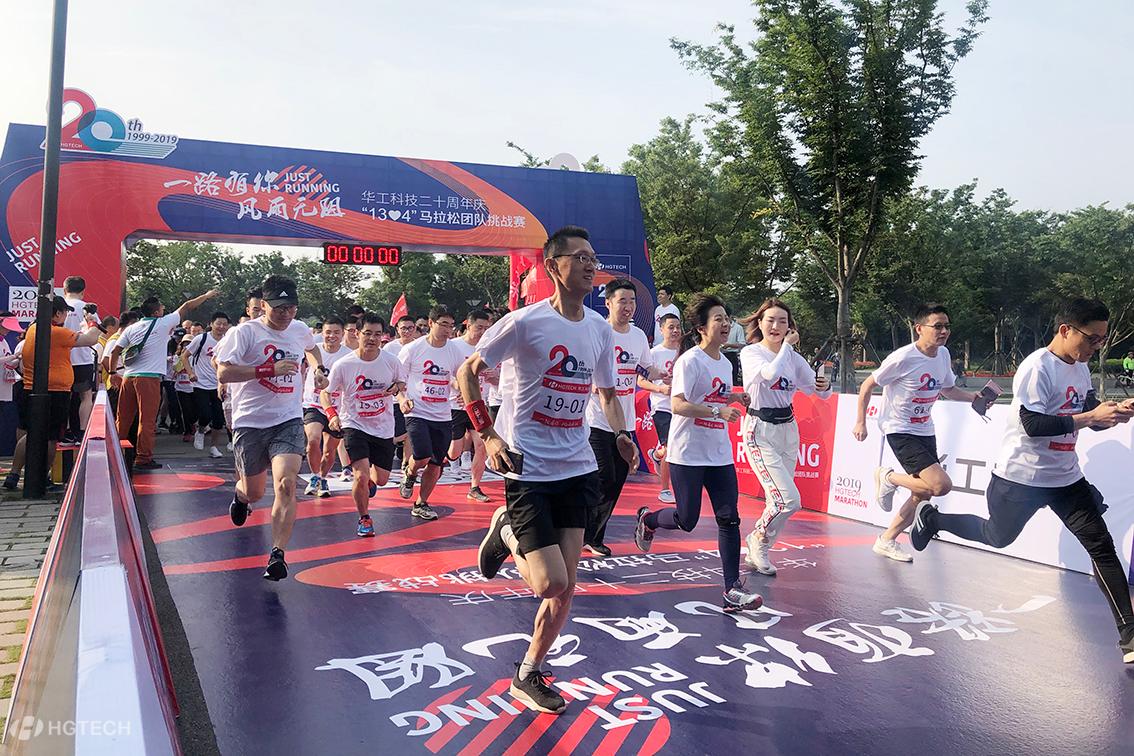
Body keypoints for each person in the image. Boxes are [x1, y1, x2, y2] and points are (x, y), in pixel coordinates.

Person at [460, 225, 636, 715]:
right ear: (553, 266)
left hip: (577, 466)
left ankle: (528, 672)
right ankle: (506, 531)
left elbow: (606, 393)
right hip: (528, 467)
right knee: (547, 584)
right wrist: (488, 434)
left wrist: (622, 434)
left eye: (593, 257)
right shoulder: (522, 323)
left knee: (566, 588)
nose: (590, 265)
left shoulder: (599, 329)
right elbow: (467, 373)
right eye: (579, 257)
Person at [909, 298, 1134, 664]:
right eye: (1092, 338)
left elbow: (1087, 415)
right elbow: (1033, 425)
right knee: (998, 536)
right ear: (1066, 330)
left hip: (1066, 479)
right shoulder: (1037, 367)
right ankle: (933, 519)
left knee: (1101, 547)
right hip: (1020, 478)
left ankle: (1130, 636)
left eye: (1101, 339)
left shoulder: (1080, 368)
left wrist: (1112, 415)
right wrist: (1090, 416)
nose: (1097, 346)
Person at [633, 293, 763, 611]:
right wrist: (719, 412)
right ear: (702, 328)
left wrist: (734, 398)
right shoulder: (689, 361)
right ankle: (649, 519)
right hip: (687, 453)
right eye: (718, 319)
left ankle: (732, 590)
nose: (725, 324)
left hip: (719, 454)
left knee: (729, 518)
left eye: (727, 318)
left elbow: (713, 395)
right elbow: (678, 404)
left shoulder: (725, 363)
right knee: (687, 519)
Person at [215, 275, 326, 581]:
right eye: (279, 308)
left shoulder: (299, 329)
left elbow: (312, 348)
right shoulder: (244, 333)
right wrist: (268, 369)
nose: (285, 314)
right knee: (254, 491)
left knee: (286, 484)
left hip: (287, 419)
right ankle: (241, 497)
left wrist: (318, 369)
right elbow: (223, 373)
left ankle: (278, 554)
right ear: (263, 305)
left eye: (291, 307)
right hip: (250, 422)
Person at [851, 303, 982, 562]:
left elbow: (947, 389)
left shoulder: (943, 355)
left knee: (922, 493)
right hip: (899, 429)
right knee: (940, 485)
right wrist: (860, 422)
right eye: (938, 326)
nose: (944, 331)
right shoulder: (903, 357)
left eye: (947, 326)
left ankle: (886, 540)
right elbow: (867, 385)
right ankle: (888, 477)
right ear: (919, 328)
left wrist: (973, 398)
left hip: (925, 429)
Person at [738, 299, 831, 575]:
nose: (776, 326)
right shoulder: (751, 353)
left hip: (788, 430)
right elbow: (769, 374)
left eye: (782, 321)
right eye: (770, 320)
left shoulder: (794, 359)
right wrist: (787, 347)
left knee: (776, 499)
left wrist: (824, 385)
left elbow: (819, 391)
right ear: (759, 323)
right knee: (788, 500)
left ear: (790, 326)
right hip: (760, 429)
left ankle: (760, 545)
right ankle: (758, 538)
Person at [110, 289, 219, 470]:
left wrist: (113, 372)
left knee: (123, 418)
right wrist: (207, 296)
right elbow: (187, 306)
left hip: (128, 377)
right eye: (161, 308)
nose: (164, 309)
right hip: (149, 378)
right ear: (156, 312)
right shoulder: (163, 323)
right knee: (147, 420)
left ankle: (113, 453)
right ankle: (143, 458)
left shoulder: (131, 328)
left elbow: (115, 351)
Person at [584, 278, 653, 557]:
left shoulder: (638, 336)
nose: (628, 306)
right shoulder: (597, 332)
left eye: (632, 301)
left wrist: (662, 377)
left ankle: (592, 536)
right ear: (608, 302)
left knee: (617, 480)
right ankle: (579, 530)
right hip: (596, 419)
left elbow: (645, 368)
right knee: (603, 475)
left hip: (626, 421)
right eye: (622, 300)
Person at [323, 313, 407, 537]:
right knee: (360, 475)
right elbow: (326, 393)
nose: (372, 338)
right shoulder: (344, 364)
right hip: (354, 424)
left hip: (383, 426)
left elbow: (401, 382)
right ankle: (364, 518)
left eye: (377, 334)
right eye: (367, 333)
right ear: (357, 333)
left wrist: (397, 390)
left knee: (381, 480)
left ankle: (369, 482)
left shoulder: (391, 361)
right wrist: (332, 415)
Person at [5, 297, 102, 489]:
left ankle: (14, 474)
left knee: (31, 433)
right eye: (65, 313)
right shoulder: (56, 332)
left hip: (32, 387)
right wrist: (92, 321)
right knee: (51, 437)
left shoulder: (33, 328)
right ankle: (43, 478)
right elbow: (91, 339)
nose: (66, 316)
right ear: (57, 313)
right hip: (55, 391)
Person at [397, 306, 466, 520]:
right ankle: (410, 473)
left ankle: (421, 503)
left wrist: (462, 391)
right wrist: (402, 399)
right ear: (430, 323)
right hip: (417, 411)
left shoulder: (454, 350)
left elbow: (459, 377)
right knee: (422, 454)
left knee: (436, 463)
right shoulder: (413, 349)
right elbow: (398, 380)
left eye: (451, 325)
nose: (447, 330)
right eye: (443, 324)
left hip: (442, 413)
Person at [447, 309, 494, 503]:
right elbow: (445, 373)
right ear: (468, 325)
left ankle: (474, 487)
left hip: (478, 404)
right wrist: (457, 385)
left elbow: (493, 376)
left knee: (481, 445)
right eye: (479, 327)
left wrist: (493, 378)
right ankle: (449, 458)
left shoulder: (488, 348)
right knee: (454, 451)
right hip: (456, 405)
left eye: (486, 328)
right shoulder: (453, 346)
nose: (482, 332)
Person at [301, 316, 349, 496]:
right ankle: (314, 476)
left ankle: (322, 478)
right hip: (313, 404)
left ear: (342, 334)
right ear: (322, 333)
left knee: (329, 451)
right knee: (313, 440)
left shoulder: (348, 356)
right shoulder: (314, 350)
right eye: (328, 332)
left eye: (336, 332)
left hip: (337, 408)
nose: (332, 336)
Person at [185, 311, 231, 457]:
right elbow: (184, 356)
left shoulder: (228, 341)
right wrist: (191, 373)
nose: (221, 327)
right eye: (218, 323)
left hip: (219, 384)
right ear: (211, 324)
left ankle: (214, 447)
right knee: (205, 413)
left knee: (219, 419)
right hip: (200, 383)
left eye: (224, 324)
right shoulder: (201, 339)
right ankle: (200, 430)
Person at [645, 313, 681, 503]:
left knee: (673, 448)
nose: (675, 331)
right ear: (661, 329)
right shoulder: (654, 353)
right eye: (671, 327)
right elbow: (640, 380)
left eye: (678, 327)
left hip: (681, 407)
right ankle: (665, 490)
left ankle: (656, 454)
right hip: (661, 407)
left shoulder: (686, 352)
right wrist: (660, 388)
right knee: (670, 447)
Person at [62, 276, 99, 443]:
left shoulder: (58, 307)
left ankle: (66, 432)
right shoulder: (87, 308)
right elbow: (96, 334)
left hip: (62, 360)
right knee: (86, 396)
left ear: (64, 290)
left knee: (64, 396)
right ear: (83, 291)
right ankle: (82, 433)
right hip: (83, 360)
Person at [383, 315, 420, 467]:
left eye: (410, 328)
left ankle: (406, 463)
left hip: (414, 396)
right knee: (395, 433)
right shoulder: (389, 348)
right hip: (393, 397)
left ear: (415, 329)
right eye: (403, 328)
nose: (407, 331)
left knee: (411, 432)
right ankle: (384, 455)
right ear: (397, 329)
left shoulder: (419, 346)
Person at [172, 334, 198, 443]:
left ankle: (193, 423)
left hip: (195, 387)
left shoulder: (197, 357)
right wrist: (183, 357)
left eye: (189, 344)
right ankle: (187, 431)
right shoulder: (177, 356)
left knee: (195, 410)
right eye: (185, 344)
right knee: (185, 410)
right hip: (181, 388)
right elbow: (176, 368)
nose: (187, 346)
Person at [722, 306, 747, 385]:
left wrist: (729, 345)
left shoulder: (737, 328)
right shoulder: (718, 327)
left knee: (732, 380)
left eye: (725, 318)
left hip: (731, 355)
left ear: (730, 316)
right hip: (719, 354)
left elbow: (742, 344)